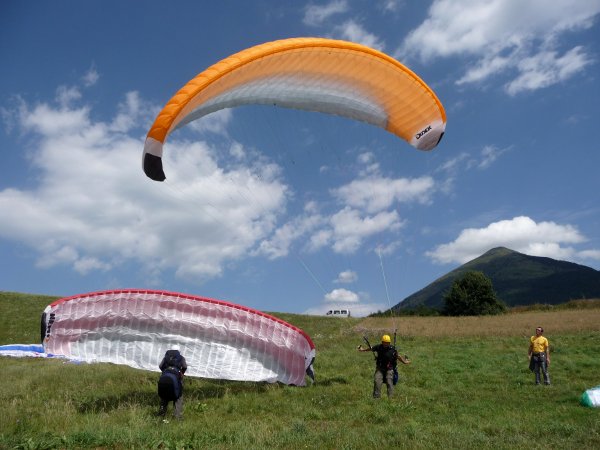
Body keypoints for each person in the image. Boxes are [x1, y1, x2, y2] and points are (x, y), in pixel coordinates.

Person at [358, 334, 411, 398]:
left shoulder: (392, 349)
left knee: (389, 381)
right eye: (384, 342)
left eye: (387, 343)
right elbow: (371, 348)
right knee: (377, 381)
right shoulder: (378, 347)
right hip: (380, 368)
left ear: (389, 343)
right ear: (382, 342)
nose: (385, 344)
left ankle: (390, 398)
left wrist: (404, 362)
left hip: (389, 368)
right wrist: (363, 350)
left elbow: (398, 356)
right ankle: (376, 398)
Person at [157, 345, 188, 419]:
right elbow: (185, 366)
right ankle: (177, 416)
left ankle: (161, 414)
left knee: (164, 396)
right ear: (178, 351)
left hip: (165, 377)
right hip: (176, 379)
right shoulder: (181, 357)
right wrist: (181, 373)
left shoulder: (166, 357)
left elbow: (160, 366)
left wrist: (165, 371)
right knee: (178, 397)